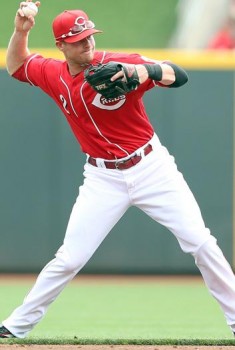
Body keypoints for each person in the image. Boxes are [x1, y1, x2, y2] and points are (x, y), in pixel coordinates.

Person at [1, 0, 235, 339]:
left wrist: (145, 72)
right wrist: (21, 31)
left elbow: (178, 75)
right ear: (61, 46)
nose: (88, 43)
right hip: (102, 178)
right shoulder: (53, 74)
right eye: (78, 39)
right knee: (70, 258)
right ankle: (16, 326)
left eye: (90, 35)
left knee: (200, 243)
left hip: (152, 168)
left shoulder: (116, 64)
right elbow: (16, 65)